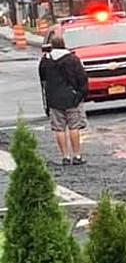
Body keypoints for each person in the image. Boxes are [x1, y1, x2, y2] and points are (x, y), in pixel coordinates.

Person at [38, 35, 89, 166]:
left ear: (52, 46)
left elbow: (43, 80)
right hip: (72, 98)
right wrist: (81, 94)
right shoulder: (72, 59)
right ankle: (77, 155)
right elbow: (82, 78)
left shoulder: (45, 61)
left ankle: (65, 156)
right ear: (64, 44)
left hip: (54, 99)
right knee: (74, 126)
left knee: (59, 129)